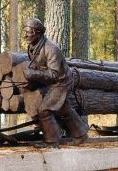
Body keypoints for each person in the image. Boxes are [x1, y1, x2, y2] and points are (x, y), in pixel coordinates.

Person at [22, 17, 89, 147]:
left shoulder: (51, 49)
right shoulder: (32, 46)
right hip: (50, 81)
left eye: (28, 32)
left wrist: (33, 74)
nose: (25, 35)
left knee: (44, 109)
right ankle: (81, 134)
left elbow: (54, 74)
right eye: (24, 31)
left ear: (38, 33)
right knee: (63, 108)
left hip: (61, 82)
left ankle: (52, 141)